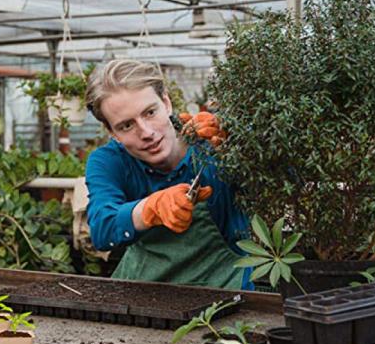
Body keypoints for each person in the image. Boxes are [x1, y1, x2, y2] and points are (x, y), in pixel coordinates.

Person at [84, 59, 251, 289]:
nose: (147, 132)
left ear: (167, 103)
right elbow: (103, 231)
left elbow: (289, 176)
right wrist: (150, 209)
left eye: (150, 112)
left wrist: (243, 141)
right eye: (126, 126)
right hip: (147, 300)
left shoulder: (212, 144)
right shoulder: (109, 162)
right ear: (111, 132)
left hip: (230, 293)